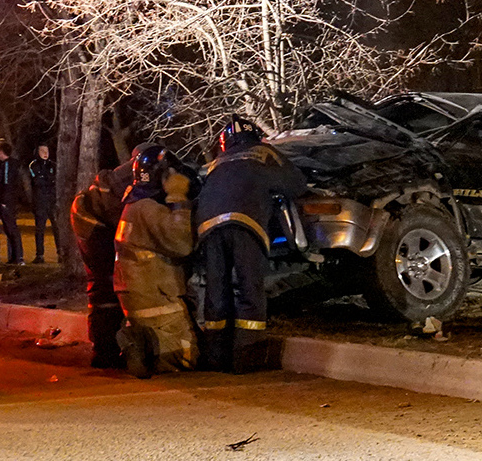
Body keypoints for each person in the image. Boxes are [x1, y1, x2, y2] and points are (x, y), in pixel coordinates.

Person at [195, 115, 308, 373]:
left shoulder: (215, 163)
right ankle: (246, 357)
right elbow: (296, 184)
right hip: (246, 224)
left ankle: (215, 356)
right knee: (249, 288)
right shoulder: (264, 152)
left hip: (208, 229)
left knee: (217, 290)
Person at [113, 146, 199, 378]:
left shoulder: (134, 204)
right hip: (156, 296)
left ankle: (142, 343)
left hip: (142, 294)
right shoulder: (147, 209)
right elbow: (181, 243)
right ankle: (148, 350)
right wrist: (179, 198)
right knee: (188, 356)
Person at [70, 155, 134, 369]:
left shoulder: (130, 174)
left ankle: (106, 347)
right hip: (91, 222)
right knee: (105, 282)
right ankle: (104, 350)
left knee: (108, 281)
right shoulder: (134, 181)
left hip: (92, 217)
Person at [0, 140, 25, 264]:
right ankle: (14, 257)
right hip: (8, 200)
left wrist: (5, 200)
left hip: (7, 201)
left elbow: (7, 183)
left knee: (12, 228)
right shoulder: (9, 165)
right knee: (9, 229)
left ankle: (19, 256)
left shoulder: (8, 165)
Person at [27, 144, 60, 263]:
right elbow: (38, 181)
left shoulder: (53, 165)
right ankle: (39, 255)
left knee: (57, 228)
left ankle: (60, 253)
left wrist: (48, 181)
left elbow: (54, 179)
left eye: (47, 150)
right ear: (37, 152)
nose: (45, 153)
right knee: (40, 229)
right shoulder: (33, 165)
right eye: (42, 151)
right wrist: (48, 180)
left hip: (52, 201)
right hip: (40, 202)